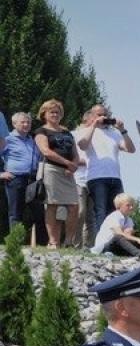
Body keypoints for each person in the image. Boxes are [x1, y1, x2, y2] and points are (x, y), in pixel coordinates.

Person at [75, 105, 135, 234]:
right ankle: (102, 245)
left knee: (116, 212)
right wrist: (94, 126)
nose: (103, 117)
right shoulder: (86, 131)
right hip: (96, 177)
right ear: (91, 116)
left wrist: (123, 130)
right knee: (100, 211)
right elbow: (83, 145)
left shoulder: (114, 133)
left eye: (105, 114)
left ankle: (115, 244)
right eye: (99, 114)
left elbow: (131, 149)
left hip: (115, 177)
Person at [34, 99, 83, 248]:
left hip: (68, 173)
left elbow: (75, 152)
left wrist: (73, 164)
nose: (55, 114)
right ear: (44, 114)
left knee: (74, 206)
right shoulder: (41, 131)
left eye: (57, 112)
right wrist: (67, 163)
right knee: (52, 204)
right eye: (52, 112)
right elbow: (46, 151)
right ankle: (53, 241)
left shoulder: (66, 132)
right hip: (51, 170)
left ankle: (68, 241)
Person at [4, 111, 41, 241]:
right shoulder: (7, 139)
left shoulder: (33, 140)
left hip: (33, 179)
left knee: (38, 212)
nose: (26, 124)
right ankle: (15, 243)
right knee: (15, 212)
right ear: (14, 124)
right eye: (23, 122)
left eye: (28, 122)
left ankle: (41, 243)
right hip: (15, 178)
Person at [92, 193, 140, 257]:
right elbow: (119, 234)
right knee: (118, 237)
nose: (131, 207)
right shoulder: (114, 216)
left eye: (132, 205)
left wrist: (137, 239)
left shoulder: (129, 220)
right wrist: (138, 240)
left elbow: (128, 236)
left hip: (117, 247)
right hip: (105, 247)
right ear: (119, 206)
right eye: (128, 205)